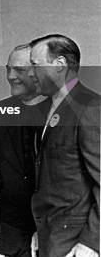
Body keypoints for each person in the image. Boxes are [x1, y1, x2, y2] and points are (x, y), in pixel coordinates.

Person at [29, 34, 100, 257]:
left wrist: (92, 243)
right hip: (52, 237)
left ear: (59, 65)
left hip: (76, 243)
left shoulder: (90, 108)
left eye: (35, 65)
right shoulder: (49, 110)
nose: (31, 73)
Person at [0, 43, 50, 237]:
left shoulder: (61, 111)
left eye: (19, 70)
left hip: (51, 223)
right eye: (8, 69)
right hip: (7, 223)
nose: (11, 76)